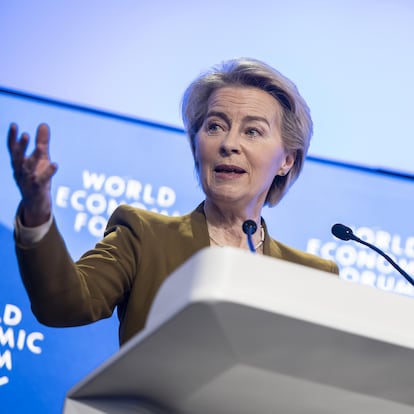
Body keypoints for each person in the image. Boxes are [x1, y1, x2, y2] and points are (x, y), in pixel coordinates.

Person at [7, 58, 339, 346]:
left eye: (252, 131)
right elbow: (62, 304)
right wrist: (37, 213)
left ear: (287, 161)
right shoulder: (142, 236)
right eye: (214, 126)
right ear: (196, 146)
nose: (228, 143)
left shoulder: (313, 277)